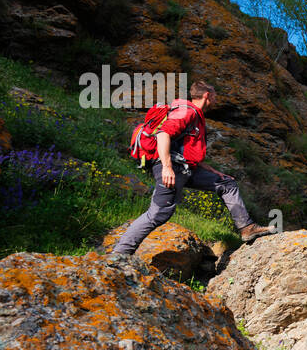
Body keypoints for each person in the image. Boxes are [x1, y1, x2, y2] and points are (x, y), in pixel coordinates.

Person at [111, 81, 272, 258]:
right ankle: (120, 253)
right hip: (172, 168)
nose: (216, 100)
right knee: (158, 213)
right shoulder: (186, 111)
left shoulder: (195, 116)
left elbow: (188, 153)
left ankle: (247, 228)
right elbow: (163, 134)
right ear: (207, 95)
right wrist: (166, 167)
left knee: (227, 183)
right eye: (215, 96)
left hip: (186, 168)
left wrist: (214, 172)